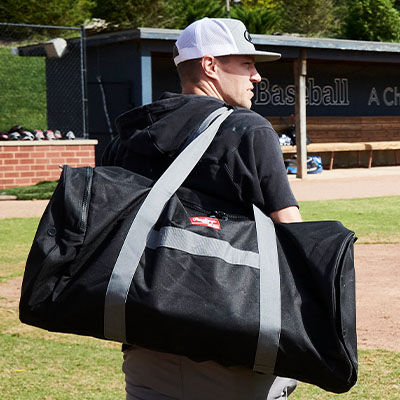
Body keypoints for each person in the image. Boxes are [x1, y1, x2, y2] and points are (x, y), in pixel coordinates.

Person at [101, 17, 302, 400]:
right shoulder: (248, 130)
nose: (256, 76)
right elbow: (292, 234)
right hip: (234, 349)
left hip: (148, 350)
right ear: (210, 65)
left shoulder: (132, 134)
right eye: (246, 63)